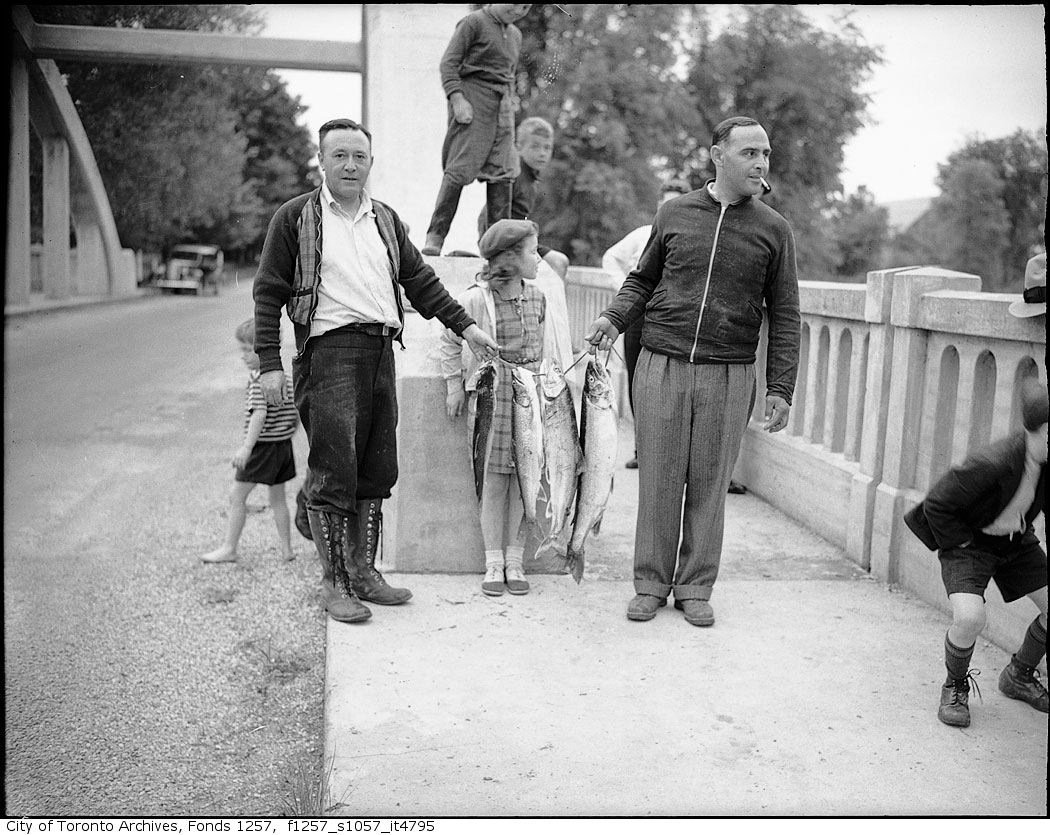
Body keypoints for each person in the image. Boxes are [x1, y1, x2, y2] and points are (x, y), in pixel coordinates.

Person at [253, 117, 500, 624]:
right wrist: (268, 365)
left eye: (359, 156)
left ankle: (365, 574)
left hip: (381, 351)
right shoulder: (295, 217)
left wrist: (467, 327)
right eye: (339, 155)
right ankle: (336, 582)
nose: (350, 164)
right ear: (321, 161)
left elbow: (420, 280)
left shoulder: (385, 219)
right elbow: (268, 292)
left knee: (377, 468)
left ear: (370, 163)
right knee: (333, 471)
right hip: (328, 355)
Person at [584, 116, 801, 627]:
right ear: (718, 155)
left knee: (710, 482)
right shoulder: (675, 214)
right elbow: (641, 280)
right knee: (658, 476)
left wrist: (781, 386)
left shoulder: (774, 230)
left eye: (765, 154)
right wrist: (613, 319)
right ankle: (651, 584)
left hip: (730, 372)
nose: (761, 163)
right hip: (661, 362)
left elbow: (787, 313)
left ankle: (696, 586)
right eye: (749, 152)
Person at [904, 379, 1048, 728]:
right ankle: (954, 686)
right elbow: (936, 504)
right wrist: (961, 543)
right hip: (971, 542)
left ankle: (1019, 675)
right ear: (1044, 430)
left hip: (1015, 542)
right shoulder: (994, 462)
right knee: (969, 617)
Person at [440, 219, 558, 597]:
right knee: (493, 483)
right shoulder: (477, 298)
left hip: (529, 399)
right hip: (494, 399)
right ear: (509, 257)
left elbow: (547, 349)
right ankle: (493, 561)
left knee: (525, 481)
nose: (538, 257)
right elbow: (448, 338)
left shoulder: (538, 297)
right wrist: (454, 386)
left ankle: (515, 558)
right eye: (532, 251)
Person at [421, 4, 533, 257]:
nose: (518, 10)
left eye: (525, 7)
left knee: (504, 173)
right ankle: (435, 237)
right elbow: (448, 64)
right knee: (459, 169)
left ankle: (498, 247)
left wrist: (511, 100)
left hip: (503, 103)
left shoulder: (515, 34)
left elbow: (510, 74)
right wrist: (457, 99)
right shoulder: (473, 22)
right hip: (473, 95)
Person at [601, 178, 691, 470]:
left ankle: (673, 451)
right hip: (640, 315)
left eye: (676, 202)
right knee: (638, 378)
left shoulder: (691, 236)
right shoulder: (643, 234)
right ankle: (642, 450)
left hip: (674, 318)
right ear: (658, 205)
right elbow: (610, 257)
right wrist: (623, 288)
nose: (669, 209)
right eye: (665, 203)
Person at [202, 319, 298, 564]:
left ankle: (229, 547)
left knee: (237, 495)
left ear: (265, 349)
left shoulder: (260, 380)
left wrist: (246, 447)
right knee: (277, 499)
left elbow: (259, 413)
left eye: (247, 350)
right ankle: (287, 549)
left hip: (262, 447)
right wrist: (287, 431)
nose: (243, 357)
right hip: (282, 447)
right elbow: (295, 411)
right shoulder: (284, 378)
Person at [478, 116, 570, 280]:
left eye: (547, 148)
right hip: (507, 243)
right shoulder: (514, 174)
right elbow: (490, 217)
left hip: (519, 240)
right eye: (535, 147)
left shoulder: (531, 178)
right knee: (558, 262)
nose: (542, 153)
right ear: (519, 147)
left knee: (558, 262)